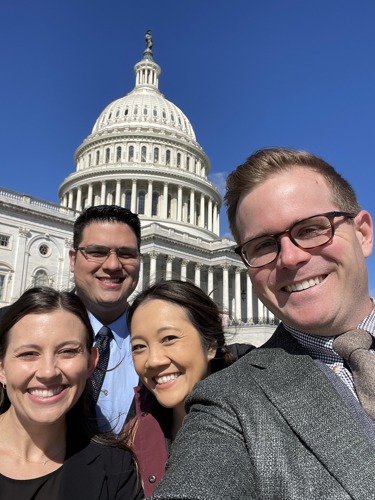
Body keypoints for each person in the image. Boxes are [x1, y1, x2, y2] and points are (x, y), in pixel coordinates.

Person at [150, 147, 375, 499]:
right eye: (263, 245)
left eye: (312, 228)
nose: (291, 257)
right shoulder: (225, 406)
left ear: (362, 234)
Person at [0, 286, 143, 499]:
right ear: (1, 367)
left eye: (67, 351)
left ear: (91, 362)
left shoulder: (117, 470)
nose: (48, 372)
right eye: (28, 354)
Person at [123, 279, 249, 496]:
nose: (153, 361)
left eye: (169, 338)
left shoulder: (259, 428)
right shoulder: (132, 434)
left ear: (210, 345)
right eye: (139, 347)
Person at [69, 205, 141, 433]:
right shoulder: (13, 329)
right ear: (73, 259)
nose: (112, 265)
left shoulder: (164, 343)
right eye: (97, 252)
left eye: (126, 254)